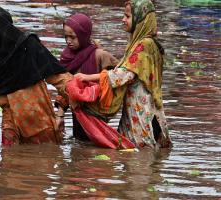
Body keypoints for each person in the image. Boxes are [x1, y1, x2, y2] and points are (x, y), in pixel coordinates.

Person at [73, 0, 172, 148]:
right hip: (139, 106)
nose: (123, 19)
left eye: (127, 16)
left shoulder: (144, 44)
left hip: (141, 110)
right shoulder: (143, 43)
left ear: (140, 19)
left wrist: (87, 77)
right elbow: (130, 66)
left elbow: (125, 74)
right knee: (137, 154)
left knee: (140, 156)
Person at [0, 4, 73, 145]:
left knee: (44, 160)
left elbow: (57, 76)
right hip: (11, 120)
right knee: (9, 162)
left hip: (38, 115)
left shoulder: (29, 45)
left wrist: (82, 92)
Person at [55, 13, 119, 141]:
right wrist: (60, 115)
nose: (68, 41)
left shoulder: (100, 55)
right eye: (66, 36)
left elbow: (118, 77)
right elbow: (65, 88)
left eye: (73, 37)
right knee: (79, 147)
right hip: (77, 114)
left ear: (83, 35)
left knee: (96, 146)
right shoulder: (66, 57)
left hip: (97, 115)